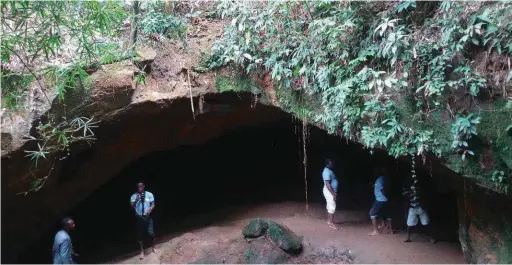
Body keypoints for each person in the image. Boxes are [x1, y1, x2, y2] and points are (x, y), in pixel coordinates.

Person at [402, 178, 437, 243]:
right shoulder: (407, 191)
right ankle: (408, 237)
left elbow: (426, 198)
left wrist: (425, 206)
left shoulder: (420, 189)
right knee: (409, 224)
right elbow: (406, 201)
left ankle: (431, 237)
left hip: (421, 207)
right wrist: (405, 211)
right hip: (412, 208)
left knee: (426, 223)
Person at [130, 181, 156, 260]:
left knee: (151, 233)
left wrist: (151, 209)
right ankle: (142, 252)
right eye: (138, 187)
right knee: (140, 236)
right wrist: (137, 200)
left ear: (144, 186)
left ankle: (153, 247)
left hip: (147, 217)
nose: (139, 188)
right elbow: (132, 207)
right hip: (139, 218)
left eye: (141, 186)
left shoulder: (149, 194)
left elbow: (153, 204)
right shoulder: (134, 196)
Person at [369, 168, 392, 236]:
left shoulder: (380, 179)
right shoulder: (386, 178)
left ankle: (375, 231)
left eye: (375, 171)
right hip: (385, 200)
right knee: (386, 213)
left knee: (372, 213)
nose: (374, 172)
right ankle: (389, 229)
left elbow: (382, 190)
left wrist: (386, 196)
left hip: (380, 200)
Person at [322, 158, 339, 230]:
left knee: (329, 205)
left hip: (329, 190)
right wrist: (333, 194)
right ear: (328, 163)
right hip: (329, 191)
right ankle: (331, 223)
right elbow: (328, 184)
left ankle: (329, 221)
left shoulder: (328, 170)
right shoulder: (326, 172)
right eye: (331, 163)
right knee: (332, 205)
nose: (333, 164)